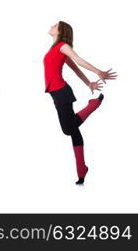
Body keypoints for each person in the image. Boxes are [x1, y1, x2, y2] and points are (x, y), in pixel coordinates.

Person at [43, 21, 117, 184]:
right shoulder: (55, 48)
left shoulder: (63, 45)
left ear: (61, 31)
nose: (51, 26)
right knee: (73, 129)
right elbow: (74, 68)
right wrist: (88, 83)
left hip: (62, 92)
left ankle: (93, 105)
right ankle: (81, 170)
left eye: (55, 25)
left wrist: (98, 72)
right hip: (57, 94)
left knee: (68, 130)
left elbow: (78, 60)